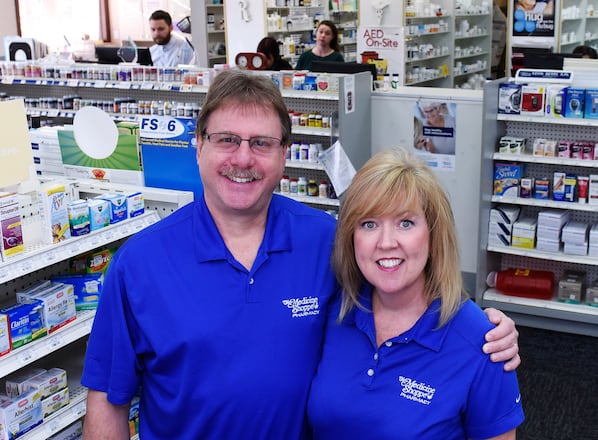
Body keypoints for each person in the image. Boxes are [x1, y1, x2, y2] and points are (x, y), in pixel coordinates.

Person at [81, 69, 521, 439]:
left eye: (262, 143)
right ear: (198, 144)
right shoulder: (139, 264)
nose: (243, 158)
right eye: (227, 139)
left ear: (284, 155)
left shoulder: (326, 242)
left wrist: (485, 329)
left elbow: (403, 282)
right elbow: (107, 397)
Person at [308, 148, 525, 438]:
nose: (386, 242)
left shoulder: (484, 342)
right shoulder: (336, 310)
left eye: (405, 223)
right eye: (369, 224)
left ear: (434, 235)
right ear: (352, 237)